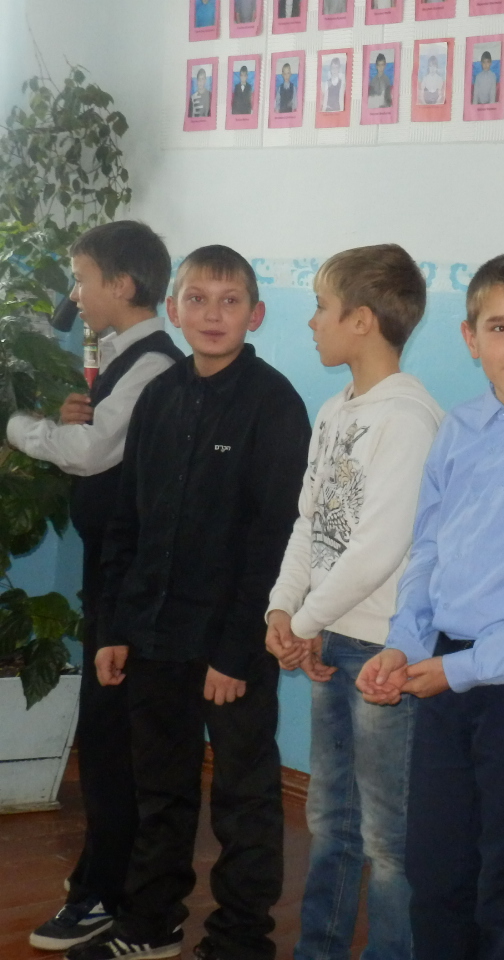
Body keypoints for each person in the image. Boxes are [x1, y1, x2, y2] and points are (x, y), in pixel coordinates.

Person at [68, 246, 312, 960]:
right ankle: (150, 925)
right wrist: (116, 628)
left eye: (229, 301)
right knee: (161, 791)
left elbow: (275, 539)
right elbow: (129, 522)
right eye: (197, 299)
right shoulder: (159, 396)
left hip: (231, 644)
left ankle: (240, 937)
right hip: (153, 635)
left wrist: (235, 652)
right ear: (173, 310)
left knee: (242, 797)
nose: (212, 314)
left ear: (255, 315)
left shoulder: (274, 404)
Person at [355, 253, 504, 960]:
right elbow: (427, 547)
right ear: (469, 339)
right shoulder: (457, 428)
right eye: (499, 327)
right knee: (435, 867)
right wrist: (403, 644)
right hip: (441, 670)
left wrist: (460, 671)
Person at [265, 245, 444, 960]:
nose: (312, 322)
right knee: (330, 819)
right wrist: (283, 611)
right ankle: (320, 949)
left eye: (322, 308)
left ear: (362, 320)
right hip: (328, 637)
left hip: (378, 646)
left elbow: (379, 546)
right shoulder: (335, 410)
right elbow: (309, 523)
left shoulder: (410, 417)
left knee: (387, 836)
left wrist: (306, 623)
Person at [10, 222, 184, 954]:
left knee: (113, 742)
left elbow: (88, 453)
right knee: (107, 737)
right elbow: (95, 435)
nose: (75, 294)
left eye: (82, 279)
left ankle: (108, 893)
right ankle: (104, 876)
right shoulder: (121, 358)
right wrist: (67, 417)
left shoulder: (152, 364)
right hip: (112, 570)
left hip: (133, 579)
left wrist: (18, 428)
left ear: (123, 284)